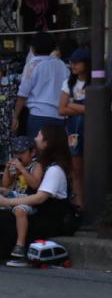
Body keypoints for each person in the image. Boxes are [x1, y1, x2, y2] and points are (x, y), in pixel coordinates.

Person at [0, 125, 74, 267]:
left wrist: (8, 201)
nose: (35, 138)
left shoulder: (54, 169)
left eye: (39, 136)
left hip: (49, 218)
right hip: (39, 211)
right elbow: (11, 185)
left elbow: (40, 197)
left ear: (47, 142)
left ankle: (20, 252)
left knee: (5, 219)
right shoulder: (43, 165)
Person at [14, 31, 69, 138]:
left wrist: (15, 116)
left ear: (33, 48)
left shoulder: (32, 65)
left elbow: (23, 94)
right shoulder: (62, 65)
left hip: (38, 116)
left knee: (38, 151)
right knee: (56, 152)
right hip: (59, 116)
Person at [58, 46, 89, 209]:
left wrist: (72, 105)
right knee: (76, 168)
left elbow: (67, 106)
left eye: (77, 62)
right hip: (73, 131)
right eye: (71, 62)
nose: (73, 65)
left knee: (93, 165)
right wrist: (85, 108)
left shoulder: (96, 82)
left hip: (90, 129)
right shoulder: (68, 83)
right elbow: (61, 109)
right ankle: (79, 204)